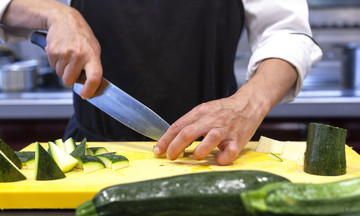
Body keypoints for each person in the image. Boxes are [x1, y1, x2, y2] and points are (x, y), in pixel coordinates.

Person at [0, 0, 322, 165]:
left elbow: (286, 33)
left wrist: (246, 105)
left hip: (210, 156)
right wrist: (55, 14)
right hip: (91, 156)